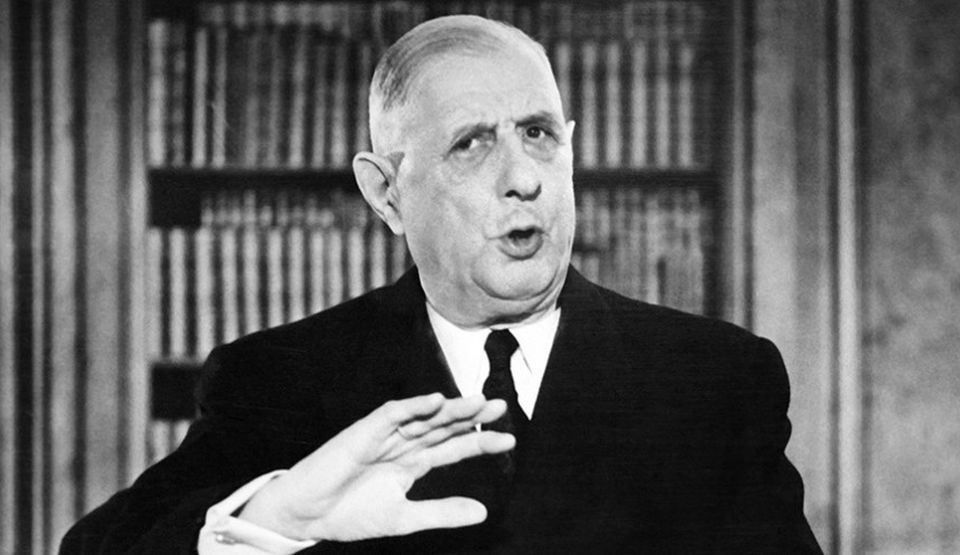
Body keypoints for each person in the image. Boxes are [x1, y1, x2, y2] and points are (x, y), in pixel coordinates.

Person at [62, 15, 822, 554]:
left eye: (538, 134)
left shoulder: (716, 378)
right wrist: (275, 519)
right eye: (471, 143)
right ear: (386, 192)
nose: (524, 178)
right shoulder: (277, 379)